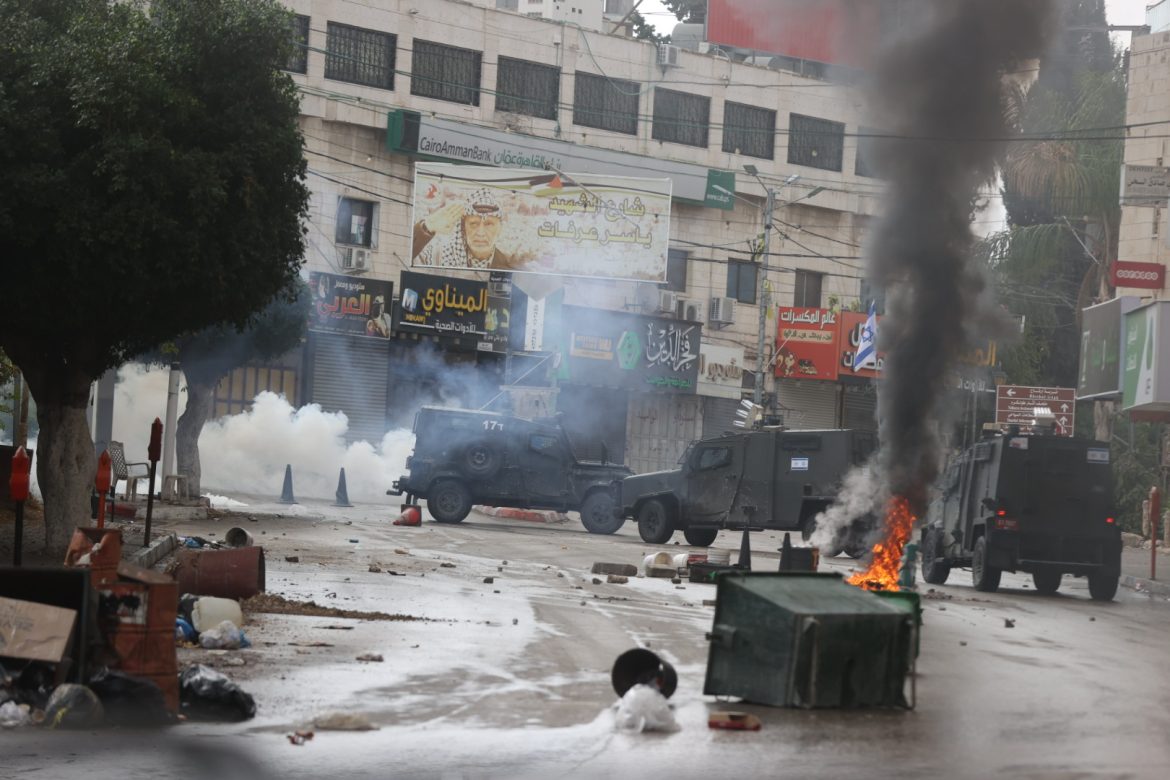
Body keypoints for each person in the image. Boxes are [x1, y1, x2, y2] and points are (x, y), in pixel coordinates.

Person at [412, 188, 520, 270]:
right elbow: (402, 258)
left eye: (489, 224)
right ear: (463, 228)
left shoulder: (510, 266)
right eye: (473, 223)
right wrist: (428, 226)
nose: (481, 233)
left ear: (500, 228)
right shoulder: (435, 258)